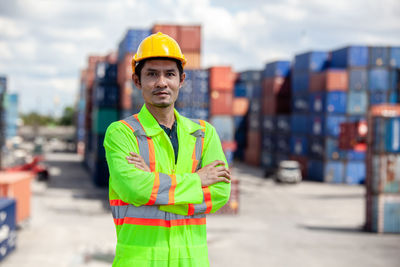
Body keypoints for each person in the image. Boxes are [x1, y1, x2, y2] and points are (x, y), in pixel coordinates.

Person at [103, 32, 232, 267]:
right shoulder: (121, 133)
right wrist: (197, 180)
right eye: (152, 74)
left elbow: (221, 193)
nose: (162, 82)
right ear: (137, 80)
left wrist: (153, 187)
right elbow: (133, 189)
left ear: (181, 79)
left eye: (169, 74)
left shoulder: (204, 133)